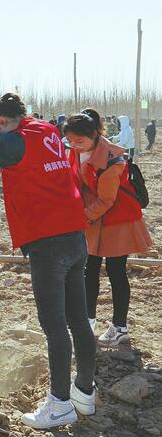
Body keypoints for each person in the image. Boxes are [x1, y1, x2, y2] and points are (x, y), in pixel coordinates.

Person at [0, 93, 96, 429]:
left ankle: (58, 404)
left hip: (48, 242)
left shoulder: (20, 142)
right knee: (78, 320)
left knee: (54, 325)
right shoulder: (47, 131)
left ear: (5, 121)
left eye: (0, 126)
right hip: (74, 236)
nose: (0, 133)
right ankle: (84, 391)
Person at [63, 110, 152, 347]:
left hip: (117, 220)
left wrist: (80, 218)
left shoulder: (113, 160)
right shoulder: (76, 150)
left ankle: (119, 327)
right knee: (89, 269)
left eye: (80, 141)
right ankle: (87, 321)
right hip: (93, 218)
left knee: (116, 271)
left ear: (94, 135)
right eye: (71, 141)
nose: (75, 146)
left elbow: (106, 200)